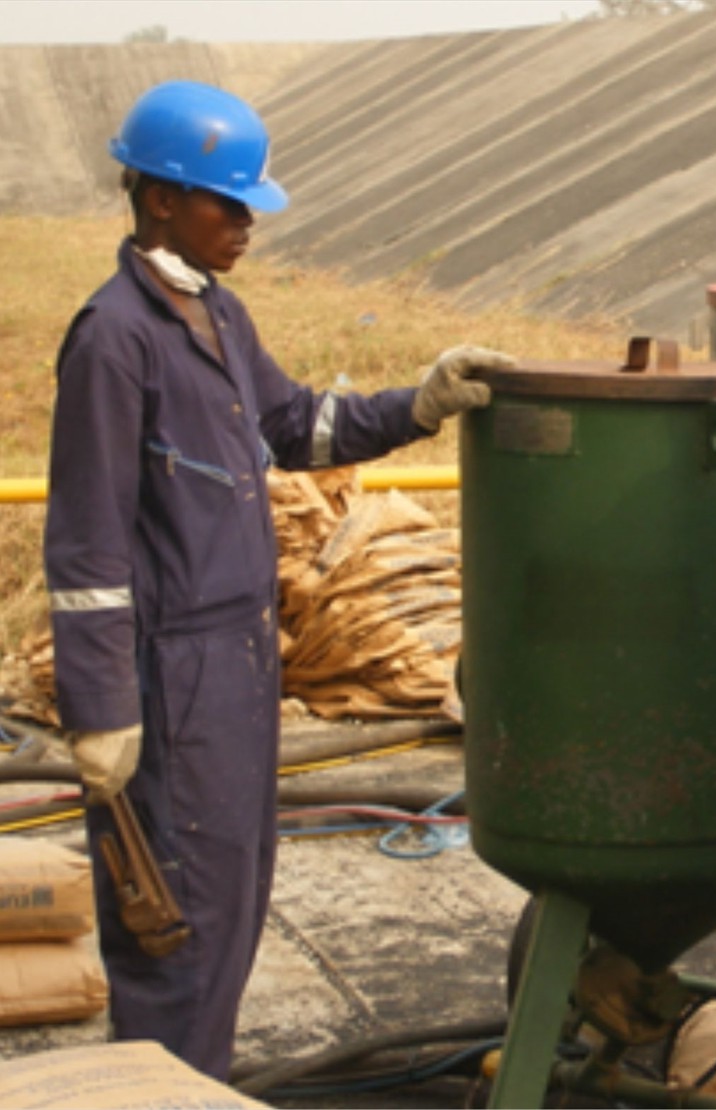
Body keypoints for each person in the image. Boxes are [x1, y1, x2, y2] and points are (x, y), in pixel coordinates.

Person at [44, 80, 513, 1079]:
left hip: (246, 661)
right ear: (160, 197)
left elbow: (297, 427)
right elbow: (85, 548)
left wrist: (419, 403)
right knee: (176, 923)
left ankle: (194, 1086)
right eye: (228, 201)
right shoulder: (115, 338)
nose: (247, 222)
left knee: (234, 899)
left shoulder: (215, 315)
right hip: (173, 677)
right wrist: (100, 709)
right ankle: (162, 1091)